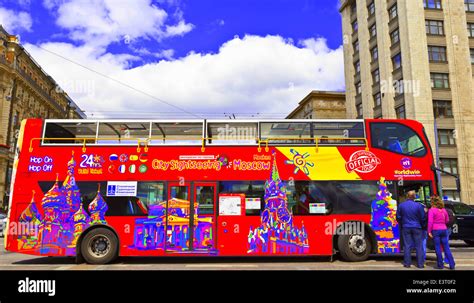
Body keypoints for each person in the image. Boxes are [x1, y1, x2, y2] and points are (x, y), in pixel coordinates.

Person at [396, 190, 426, 268]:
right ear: (414, 197)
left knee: (407, 246)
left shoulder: (401, 205)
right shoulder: (419, 206)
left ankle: (407, 263)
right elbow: (423, 218)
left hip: (406, 227)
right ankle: (420, 264)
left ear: (407, 196)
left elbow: (398, 217)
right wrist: (423, 226)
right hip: (417, 227)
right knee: (419, 246)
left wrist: (402, 223)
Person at [428, 196, 455, 270]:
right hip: (444, 229)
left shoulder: (432, 210)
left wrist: (429, 231)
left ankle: (440, 265)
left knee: (437, 247)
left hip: (436, 230)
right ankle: (452, 264)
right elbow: (447, 220)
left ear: (433, 203)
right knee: (446, 247)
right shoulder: (443, 210)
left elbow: (430, 222)